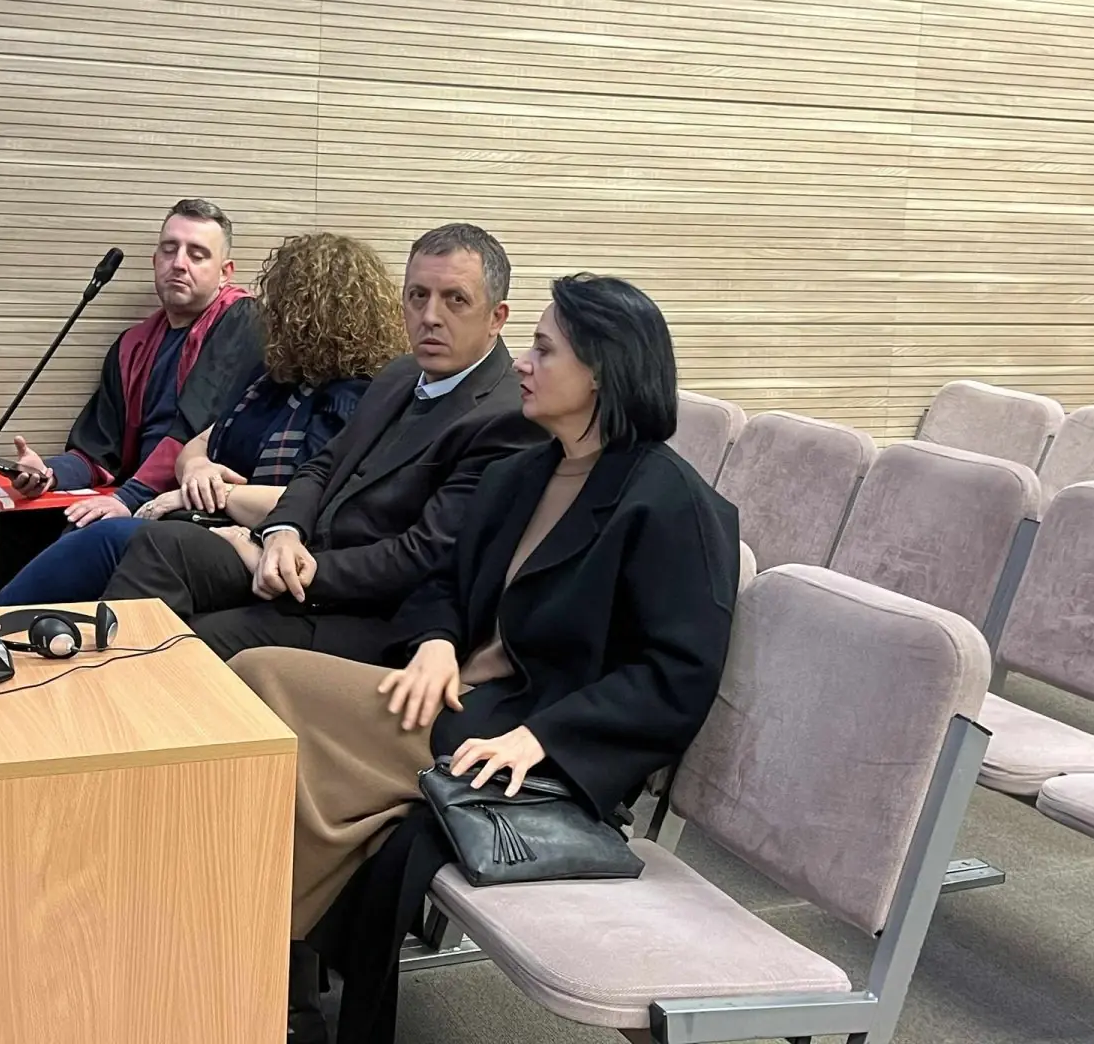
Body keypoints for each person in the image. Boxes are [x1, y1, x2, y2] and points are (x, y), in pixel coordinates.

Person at [226, 274, 742, 1043]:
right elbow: (443, 581)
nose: (523, 364)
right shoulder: (523, 471)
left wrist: (543, 738)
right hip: (457, 697)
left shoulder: (675, 505)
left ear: (602, 372)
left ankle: (258, 962)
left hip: (527, 737)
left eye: (544, 349)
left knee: (262, 685)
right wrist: (437, 642)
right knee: (268, 705)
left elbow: (676, 675)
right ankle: (265, 966)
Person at [100, 223, 546, 662]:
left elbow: (423, 556)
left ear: (496, 318)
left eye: (455, 299)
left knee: (192, 642)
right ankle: (107, 692)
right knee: (160, 545)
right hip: (303, 556)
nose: (430, 316)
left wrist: (284, 564)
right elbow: (321, 467)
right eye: (417, 295)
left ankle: (128, 691)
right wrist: (283, 532)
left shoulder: (505, 417)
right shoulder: (402, 373)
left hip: (377, 614)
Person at [0, 232, 410, 606]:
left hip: (264, 543)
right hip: (214, 518)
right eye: (169, 249)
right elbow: (197, 442)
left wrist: (207, 495)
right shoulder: (273, 382)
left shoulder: (356, 399)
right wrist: (197, 468)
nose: (269, 317)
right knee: (30, 525)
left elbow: (318, 504)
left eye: (281, 305)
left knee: (109, 539)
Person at [0, 199, 261, 588]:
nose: (179, 263)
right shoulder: (133, 344)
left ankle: (4, 620)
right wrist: (49, 474)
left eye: (197, 254)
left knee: (87, 532)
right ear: (155, 261)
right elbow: (100, 449)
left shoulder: (241, 322)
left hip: (199, 498)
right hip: (135, 490)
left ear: (225, 272)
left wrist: (125, 500)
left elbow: (195, 430)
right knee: (19, 521)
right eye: (169, 249)